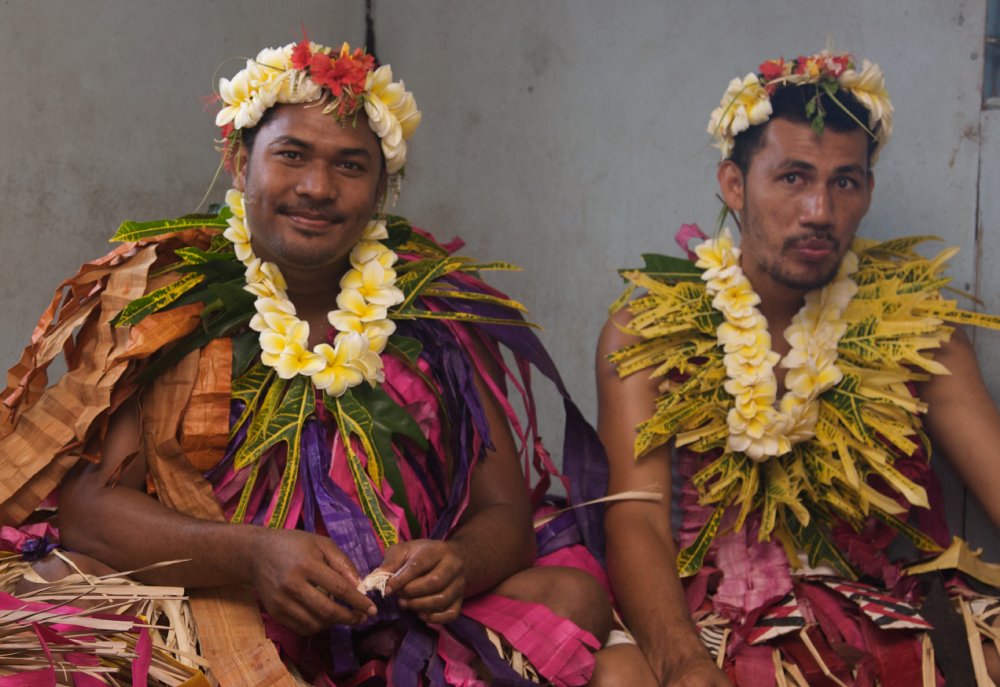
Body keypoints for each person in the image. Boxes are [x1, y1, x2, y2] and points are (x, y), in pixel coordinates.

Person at [0, 36, 619, 686]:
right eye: (292, 155)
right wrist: (250, 554)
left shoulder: (432, 317)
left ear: (382, 190)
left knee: (575, 598)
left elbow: (506, 516)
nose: (318, 187)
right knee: (56, 597)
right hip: (217, 609)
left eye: (350, 166)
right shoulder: (172, 308)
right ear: (240, 162)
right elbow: (91, 510)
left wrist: (458, 561)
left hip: (403, 631)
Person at [597, 51, 1000, 686]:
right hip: (704, 620)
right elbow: (635, 515)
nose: (819, 211)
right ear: (734, 184)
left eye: (845, 182)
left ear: (867, 191)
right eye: (792, 177)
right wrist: (683, 665)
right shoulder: (648, 332)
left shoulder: (923, 335)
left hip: (865, 618)